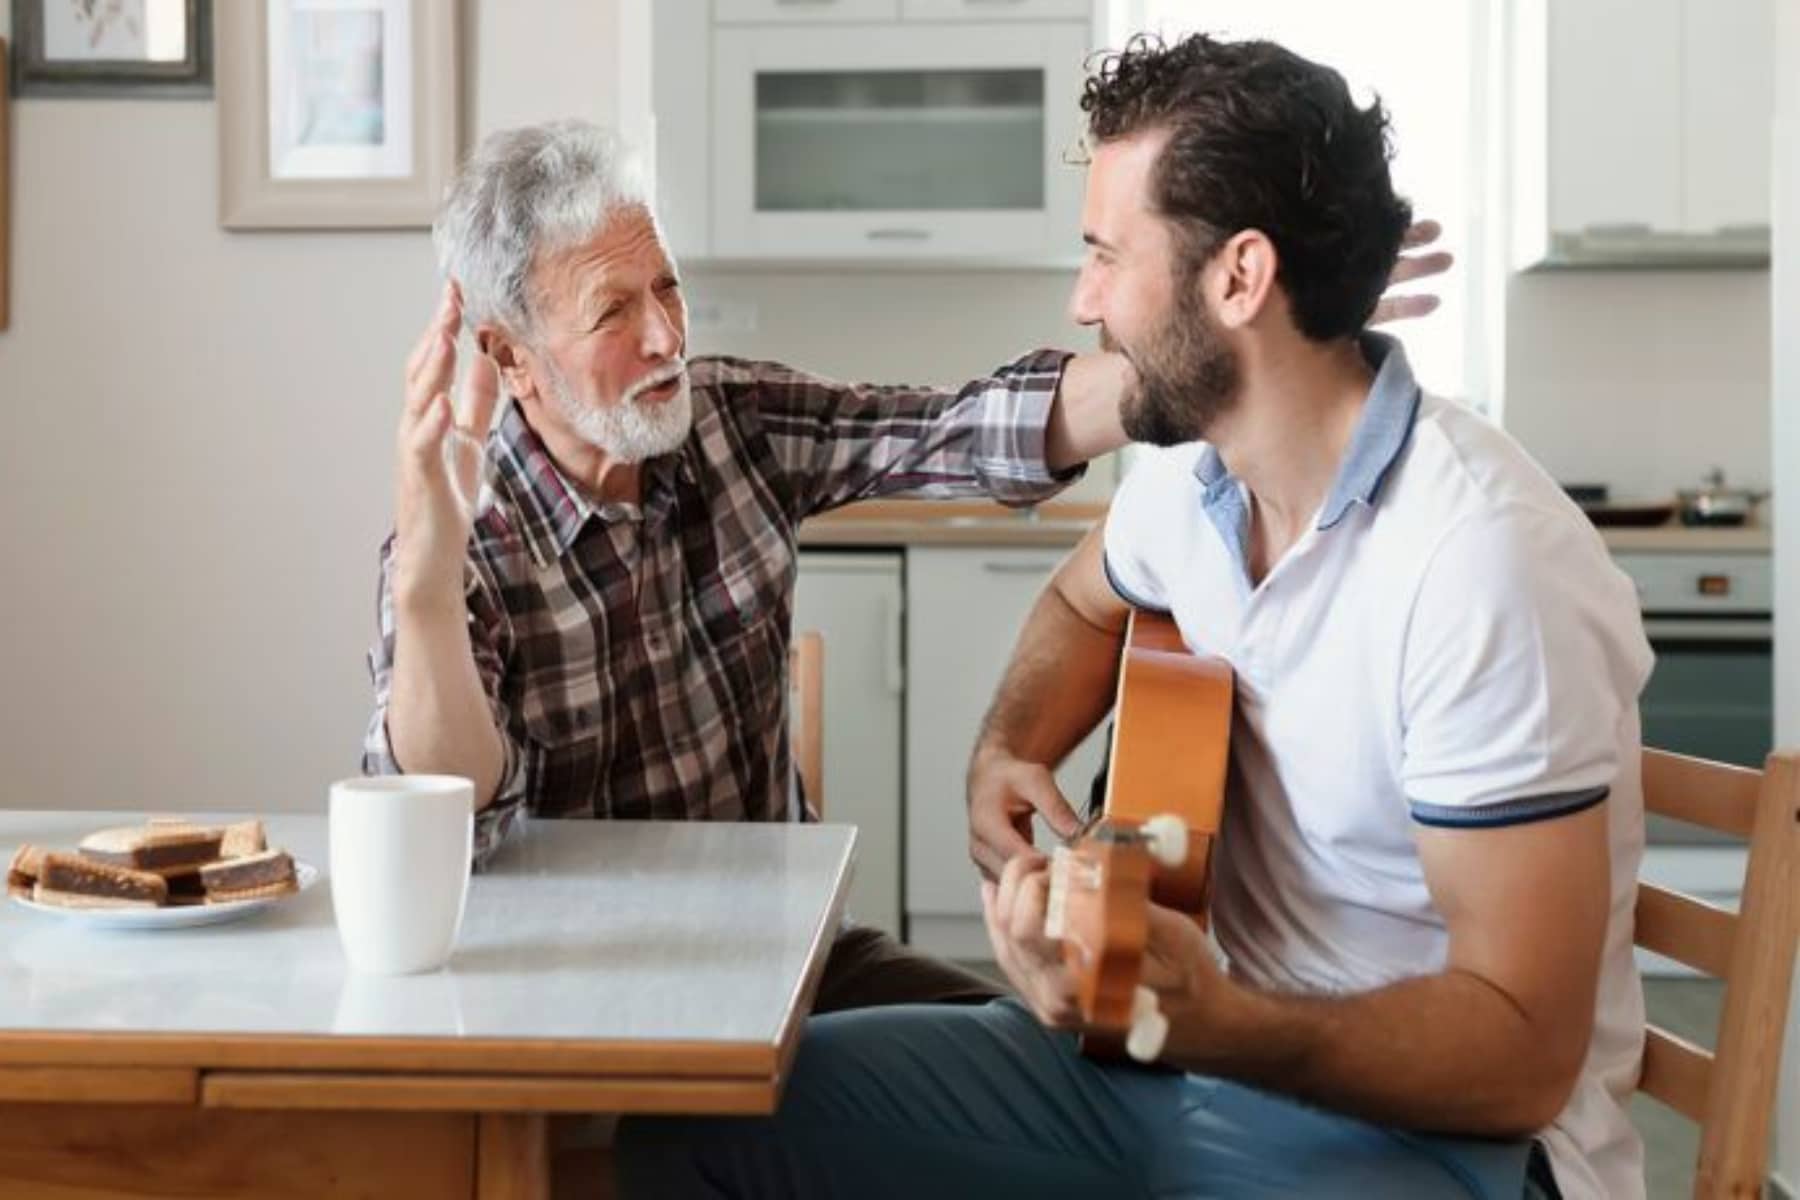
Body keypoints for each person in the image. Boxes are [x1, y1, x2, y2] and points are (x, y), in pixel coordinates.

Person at [615, 33, 1650, 1200]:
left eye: (1108, 254)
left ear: (1240, 279)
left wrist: (1214, 1022)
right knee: (694, 1136)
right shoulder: (1189, 469)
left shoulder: (1482, 564)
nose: (1083, 298)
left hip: (1439, 1148)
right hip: (1179, 1075)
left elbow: (1518, 1059)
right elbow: (1082, 598)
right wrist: (1012, 746)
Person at [363, 117, 1446, 1014]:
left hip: (781, 966)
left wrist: (1233, 333)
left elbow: (956, 430)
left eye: (667, 288)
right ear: (509, 355)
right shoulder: (465, 530)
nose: (664, 338)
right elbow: (444, 804)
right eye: (612, 311)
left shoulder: (729, 420)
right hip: (559, 999)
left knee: (1058, 1072)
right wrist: (425, 583)